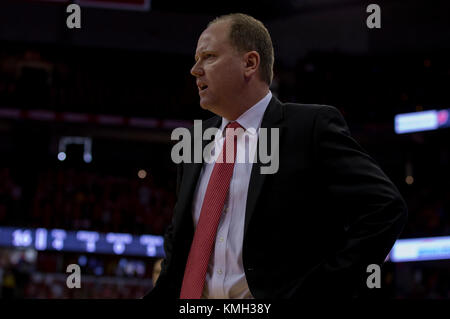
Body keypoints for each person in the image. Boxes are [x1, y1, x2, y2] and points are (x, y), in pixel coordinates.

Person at [143, 13, 407, 299]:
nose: (195, 70)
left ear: (249, 63)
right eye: (197, 59)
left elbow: (385, 208)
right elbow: (178, 248)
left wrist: (323, 292)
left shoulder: (309, 127)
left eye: (208, 56)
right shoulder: (196, 139)